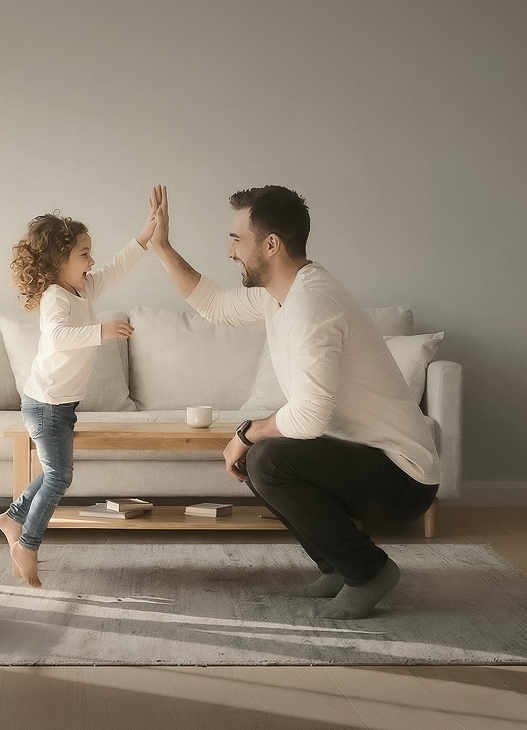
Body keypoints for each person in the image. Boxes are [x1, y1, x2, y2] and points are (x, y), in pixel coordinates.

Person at [150, 184, 440, 619]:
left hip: (403, 475)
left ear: (271, 244)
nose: (229, 251)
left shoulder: (311, 304)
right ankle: (338, 568)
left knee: (267, 458)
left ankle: (370, 572)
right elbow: (214, 305)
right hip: (364, 456)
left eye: (236, 239)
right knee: (261, 458)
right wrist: (162, 247)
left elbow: (307, 418)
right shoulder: (282, 291)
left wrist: (244, 434)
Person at [0, 187, 161, 587]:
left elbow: (118, 266)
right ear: (59, 262)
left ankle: (13, 515)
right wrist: (101, 331)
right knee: (59, 477)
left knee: (60, 471)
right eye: (84, 254)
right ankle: (27, 544)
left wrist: (145, 235)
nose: (92, 260)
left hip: (61, 403)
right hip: (46, 404)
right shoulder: (56, 297)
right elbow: (55, 338)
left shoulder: (83, 287)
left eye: (90, 252)